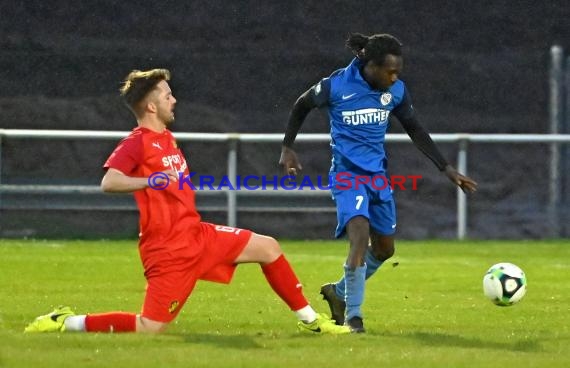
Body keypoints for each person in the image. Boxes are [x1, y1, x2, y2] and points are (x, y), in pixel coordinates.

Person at [25, 68, 350, 335]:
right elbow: (109, 182)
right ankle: (67, 322)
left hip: (196, 235)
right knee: (150, 327)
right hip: (167, 251)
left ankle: (312, 322)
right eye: (167, 95)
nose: (174, 99)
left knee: (268, 247)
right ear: (151, 107)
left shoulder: (166, 138)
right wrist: (150, 180)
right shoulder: (136, 143)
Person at [279, 33, 477, 333]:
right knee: (359, 237)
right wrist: (288, 147)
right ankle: (354, 318)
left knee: (384, 250)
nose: (394, 76)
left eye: (398, 71)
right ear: (369, 65)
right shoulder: (336, 86)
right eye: (389, 71)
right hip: (346, 176)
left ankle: (338, 292)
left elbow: (414, 128)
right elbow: (301, 105)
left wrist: (446, 168)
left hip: (378, 178)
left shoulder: (395, 91)